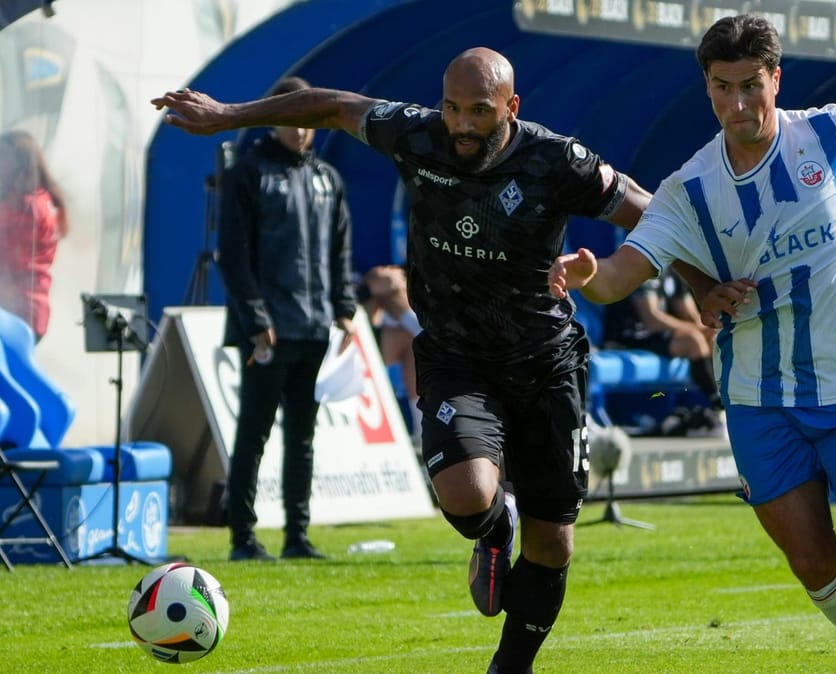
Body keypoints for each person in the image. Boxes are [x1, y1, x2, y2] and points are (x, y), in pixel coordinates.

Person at [154, 48, 669, 673]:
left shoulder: (556, 159)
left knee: (554, 543)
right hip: (457, 357)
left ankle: (511, 665)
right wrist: (229, 114)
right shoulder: (415, 132)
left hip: (545, 363)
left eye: (479, 112)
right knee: (464, 494)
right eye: (452, 107)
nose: (461, 125)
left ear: (511, 107)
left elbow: (653, 212)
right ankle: (491, 531)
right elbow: (334, 104)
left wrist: (696, 282)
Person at [548, 15, 836, 673]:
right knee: (813, 561)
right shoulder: (690, 190)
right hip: (757, 397)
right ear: (706, 88)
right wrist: (589, 276)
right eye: (721, 88)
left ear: (776, 79)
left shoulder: (831, 132)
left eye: (750, 86)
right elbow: (627, 270)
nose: (737, 105)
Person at [213, 76, 357, 562]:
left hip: (315, 327)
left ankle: (297, 535)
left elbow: (340, 252)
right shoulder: (249, 173)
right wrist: (255, 318)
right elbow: (232, 256)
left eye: (308, 121)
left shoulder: (327, 179)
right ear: (272, 118)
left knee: (303, 434)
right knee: (253, 432)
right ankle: (242, 538)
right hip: (268, 330)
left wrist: (345, 309)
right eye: (291, 120)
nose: (300, 131)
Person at [601, 268, 725, 437]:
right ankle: (718, 406)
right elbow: (651, 319)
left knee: (712, 338)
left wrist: (710, 329)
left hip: (654, 336)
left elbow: (691, 316)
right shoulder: (643, 266)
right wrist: (696, 330)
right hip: (629, 336)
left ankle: (723, 405)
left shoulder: (674, 271)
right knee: (693, 341)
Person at [0, 130, 68, 342]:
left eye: (3, 156)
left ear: (19, 162)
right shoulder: (38, 201)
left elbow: (8, 255)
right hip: (25, 311)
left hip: (18, 312)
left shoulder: (28, 208)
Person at [361, 264, 422, 439]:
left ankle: (420, 429)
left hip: (367, 330)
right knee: (383, 281)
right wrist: (370, 286)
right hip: (347, 336)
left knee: (413, 342)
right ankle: (420, 429)